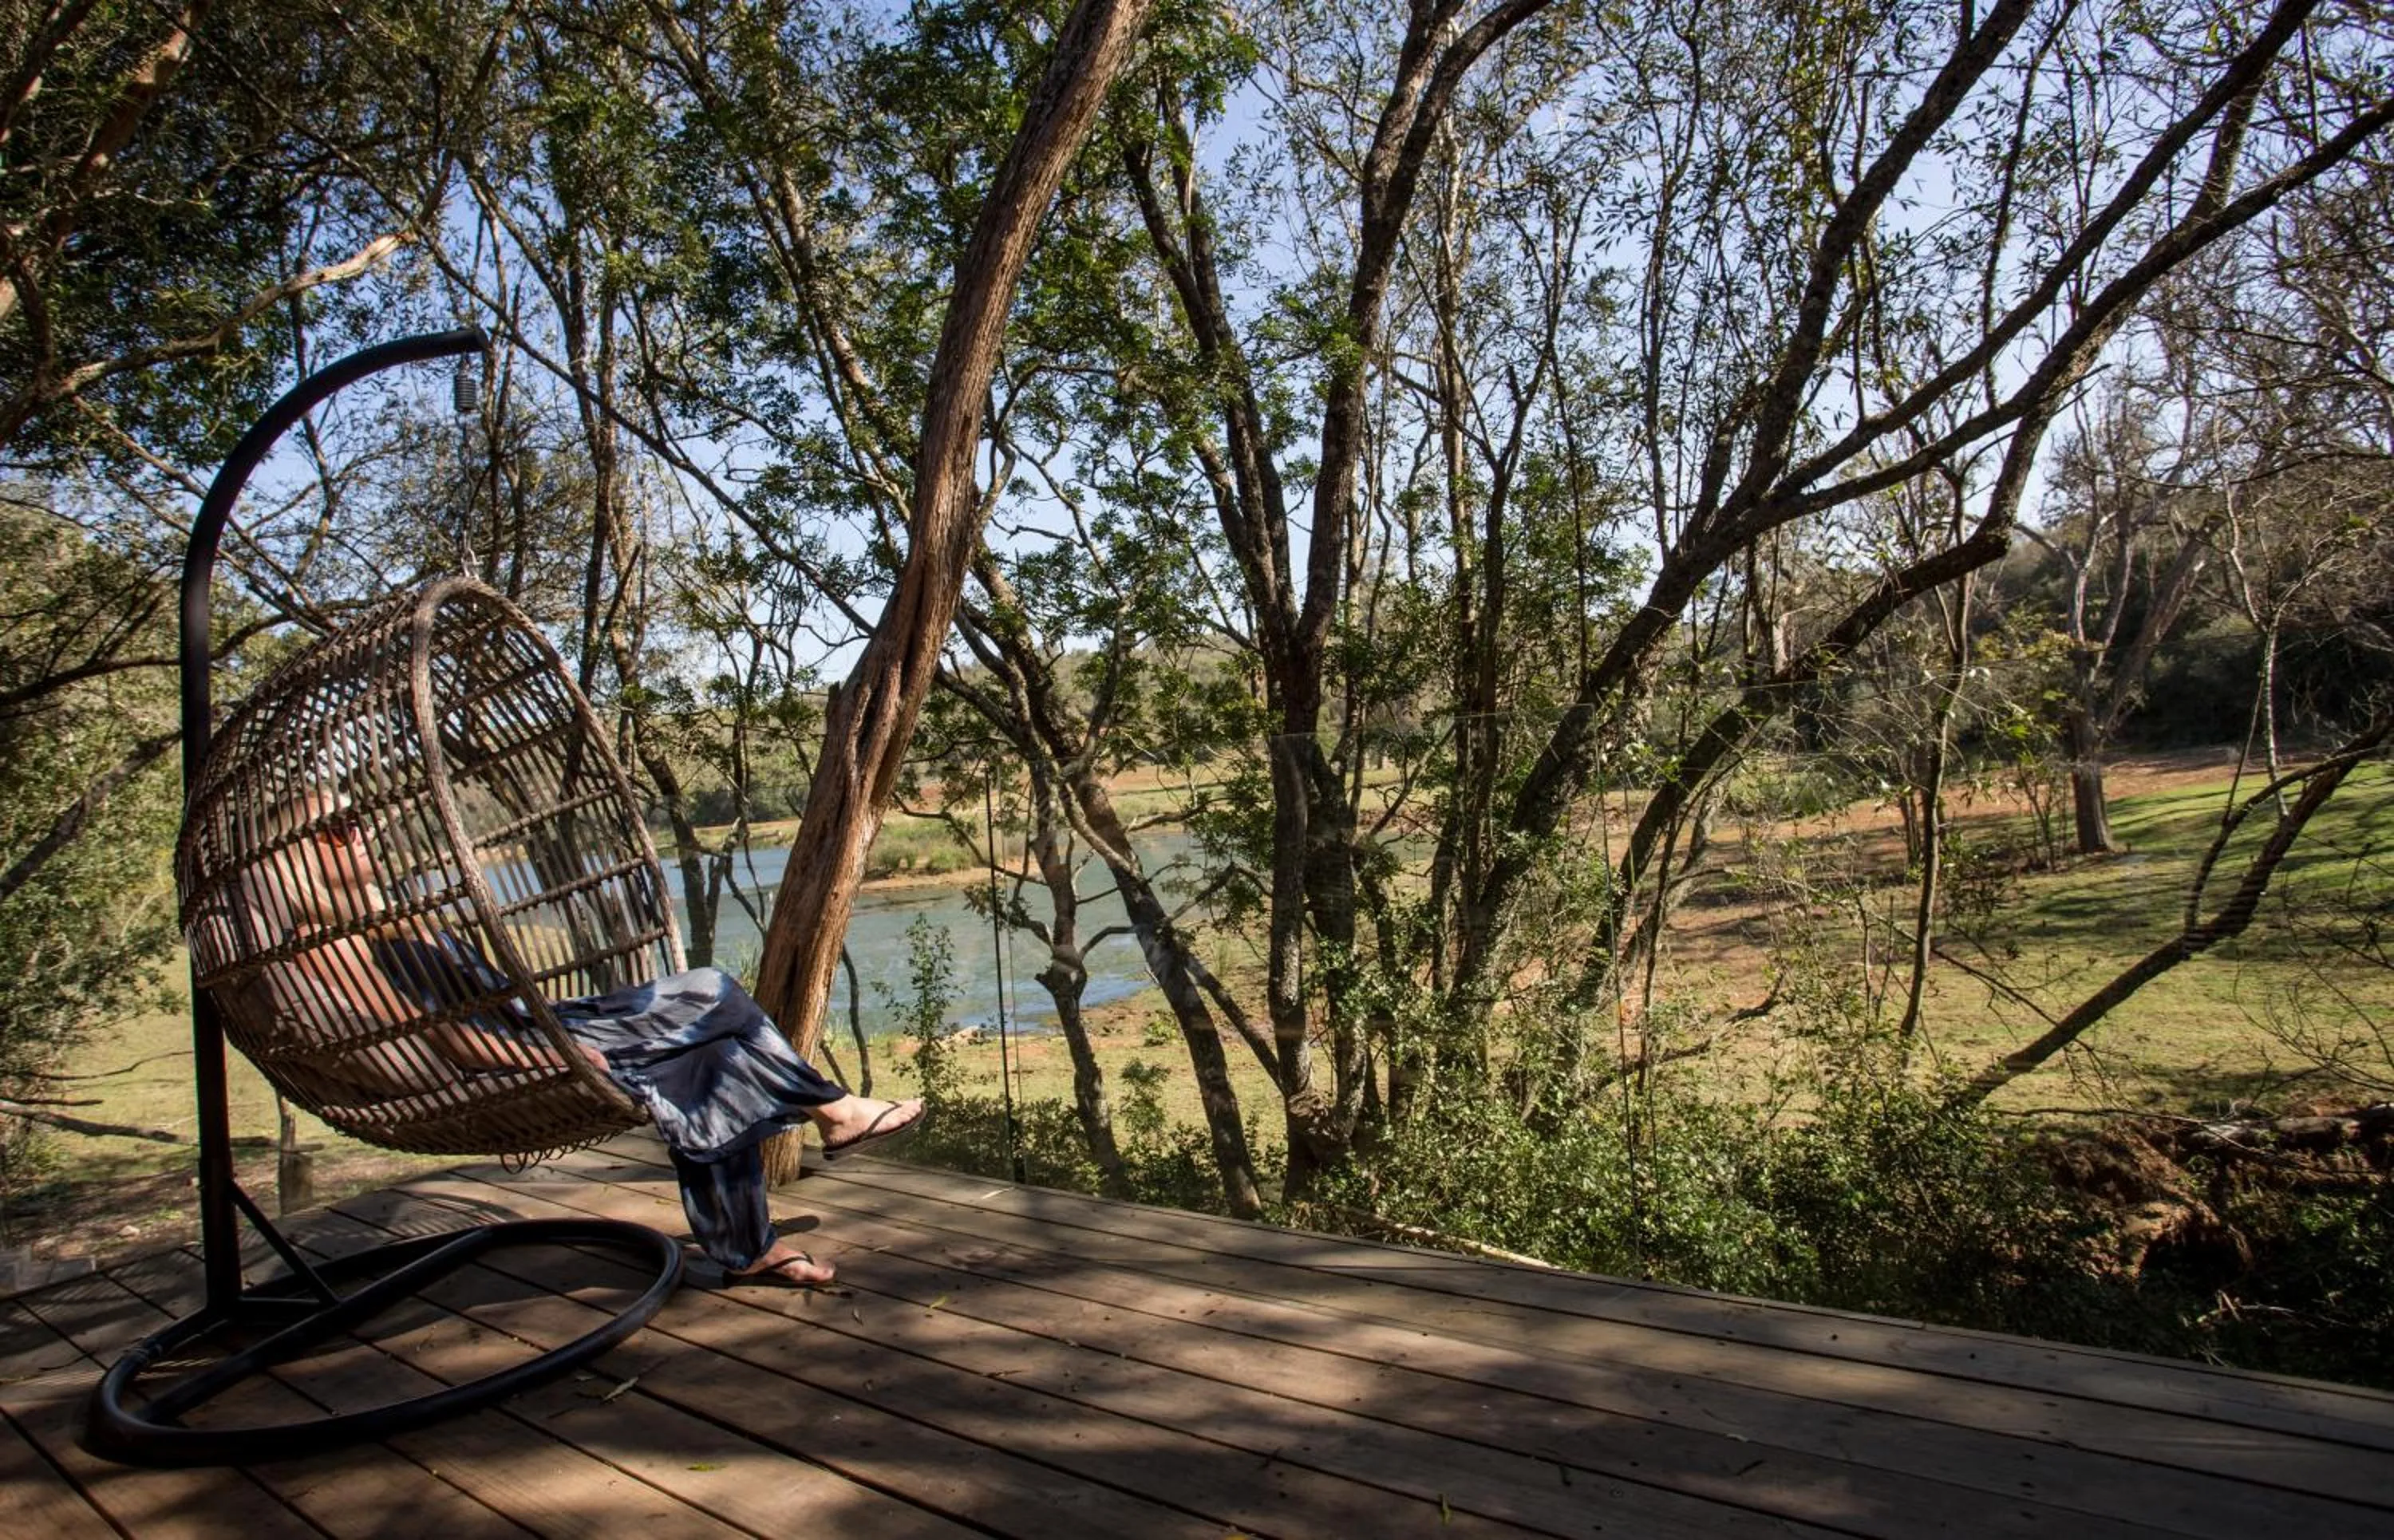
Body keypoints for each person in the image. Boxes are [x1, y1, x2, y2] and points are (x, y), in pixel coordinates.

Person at [253, 789, 924, 1288]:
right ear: (298, 854)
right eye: (339, 830)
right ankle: (834, 1111)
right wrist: (554, 1058)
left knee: (712, 1054)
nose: (362, 832)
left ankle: (748, 1245)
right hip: (533, 1045)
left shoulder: (372, 923)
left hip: (542, 1021)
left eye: (357, 820)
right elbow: (448, 1041)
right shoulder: (327, 950)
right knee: (712, 992)